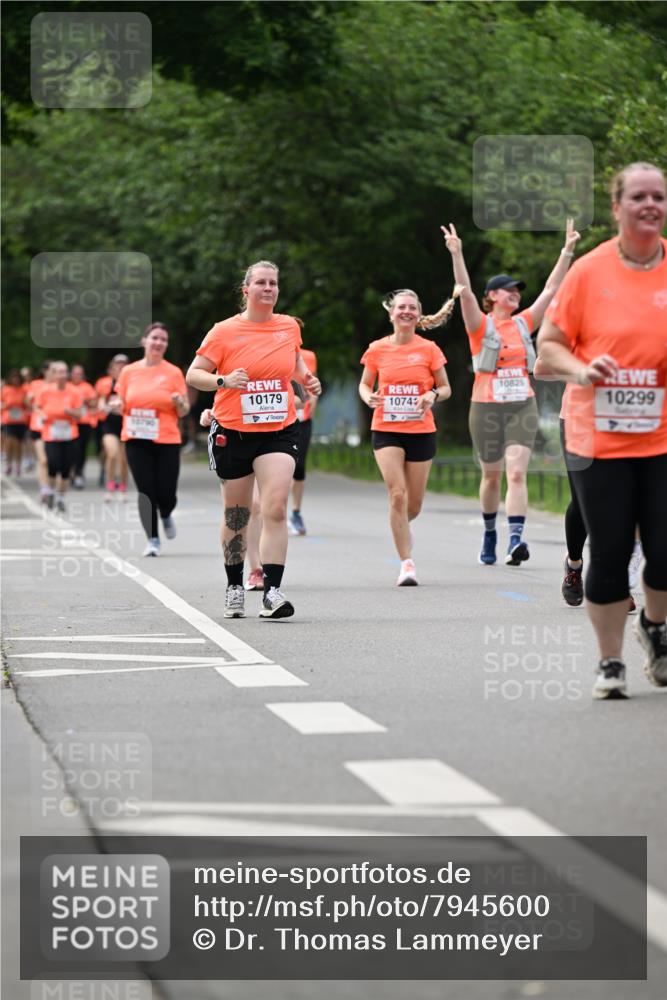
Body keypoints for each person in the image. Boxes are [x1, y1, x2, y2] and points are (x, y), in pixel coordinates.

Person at [536, 161, 666, 699]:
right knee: (610, 550)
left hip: (662, 434)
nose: (650, 205)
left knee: (663, 549)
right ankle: (610, 661)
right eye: (638, 196)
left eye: (658, 196)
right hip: (598, 435)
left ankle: (655, 630)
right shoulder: (588, 273)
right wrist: (581, 370)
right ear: (617, 207)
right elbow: (547, 349)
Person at [186, 260, 321, 619]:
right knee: (238, 515)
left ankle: (272, 591)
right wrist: (224, 381)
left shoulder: (289, 326)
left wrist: (307, 379)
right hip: (234, 431)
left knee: (275, 508)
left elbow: (293, 361)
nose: (268, 288)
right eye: (260, 282)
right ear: (246, 290)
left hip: (279, 430)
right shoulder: (224, 331)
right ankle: (233, 586)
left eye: (273, 283)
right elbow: (194, 374)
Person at [441, 219, 580, 566]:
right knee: (492, 476)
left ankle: (515, 539)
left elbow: (550, 290)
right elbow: (465, 291)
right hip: (486, 407)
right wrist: (457, 254)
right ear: (492, 297)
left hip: (522, 405)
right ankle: (490, 532)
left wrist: (567, 251)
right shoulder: (480, 324)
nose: (516, 294)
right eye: (508, 290)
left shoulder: (524, 323)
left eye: (518, 290)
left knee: (517, 472)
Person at [359, 287, 457, 585]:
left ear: (418, 314)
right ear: (391, 313)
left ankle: (402, 524)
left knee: (412, 505)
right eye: (401, 307)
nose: (406, 312)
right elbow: (364, 384)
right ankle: (407, 563)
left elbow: (446, 388)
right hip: (386, 428)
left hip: (421, 431)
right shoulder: (377, 348)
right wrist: (368, 398)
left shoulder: (429, 349)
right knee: (397, 495)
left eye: (412, 308)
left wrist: (431, 395)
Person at [111, 324, 189, 556]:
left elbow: (184, 410)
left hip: (166, 438)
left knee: (166, 493)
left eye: (163, 339)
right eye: (154, 338)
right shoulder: (128, 372)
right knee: (146, 490)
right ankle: (153, 539)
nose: (158, 342)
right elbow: (121, 402)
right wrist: (117, 406)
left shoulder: (173, 372)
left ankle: (166, 513)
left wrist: (178, 403)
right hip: (136, 438)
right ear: (144, 341)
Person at [34, 361, 82, 512]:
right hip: (51, 433)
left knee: (66, 469)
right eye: (59, 372)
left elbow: (80, 414)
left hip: (69, 434)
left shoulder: (74, 391)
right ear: (53, 374)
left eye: (64, 371)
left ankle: (61, 498)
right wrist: (42, 415)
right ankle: (50, 493)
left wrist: (71, 412)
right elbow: (37, 407)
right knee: (53, 465)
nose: (62, 375)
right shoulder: (45, 391)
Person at [288, 342, 319, 536]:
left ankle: (296, 513)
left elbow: (310, 382)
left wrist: (311, 406)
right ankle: (271, 511)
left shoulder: (307, 356)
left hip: (302, 418)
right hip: (278, 418)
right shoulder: (268, 350)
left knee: (298, 466)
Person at [95, 354, 129, 498]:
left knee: (124, 459)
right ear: (112, 369)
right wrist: (103, 406)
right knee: (112, 453)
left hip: (126, 423)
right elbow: (101, 401)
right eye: (118, 365)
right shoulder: (105, 384)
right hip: (109, 424)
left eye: (123, 365)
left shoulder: (131, 384)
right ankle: (110, 486)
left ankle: (122, 487)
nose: (120, 368)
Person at [68, 363, 97, 489]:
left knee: (81, 450)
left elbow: (94, 402)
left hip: (84, 422)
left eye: (80, 374)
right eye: (75, 373)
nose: (77, 376)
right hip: (70, 423)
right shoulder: (67, 387)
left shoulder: (87, 387)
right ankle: (71, 472)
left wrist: (86, 401)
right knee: (72, 450)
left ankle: (79, 473)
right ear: (71, 374)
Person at [1, 370, 29, 475]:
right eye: (13, 378)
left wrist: (25, 403)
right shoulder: (6, 389)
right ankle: (8, 465)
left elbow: (28, 405)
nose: (15, 380)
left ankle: (18, 465)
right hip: (9, 419)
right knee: (10, 442)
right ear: (10, 379)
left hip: (21, 420)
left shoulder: (23, 390)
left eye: (17, 378)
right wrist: (6, 406)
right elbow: (1, 403)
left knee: (19, 444)